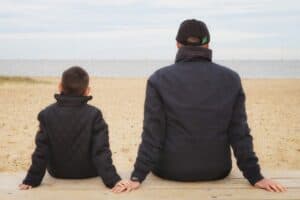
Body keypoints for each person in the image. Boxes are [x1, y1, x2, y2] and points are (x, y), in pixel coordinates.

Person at [127, 19, 286, 192]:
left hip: (170, 170)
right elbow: (239, 132)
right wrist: (255, 176)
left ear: (178, 44)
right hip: (217, 170)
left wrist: (137, 176)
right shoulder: (231, 79)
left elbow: (152, 133)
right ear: (208, 44)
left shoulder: (158, 79)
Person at [19, 66, 127, 193]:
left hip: (57, 172)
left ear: (59, 87)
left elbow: (41, 150)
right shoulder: (94, 114)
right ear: (87, 91)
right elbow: (101, 151)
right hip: (89, 172)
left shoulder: (46, 114)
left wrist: (31, 180)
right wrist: (113, 180)